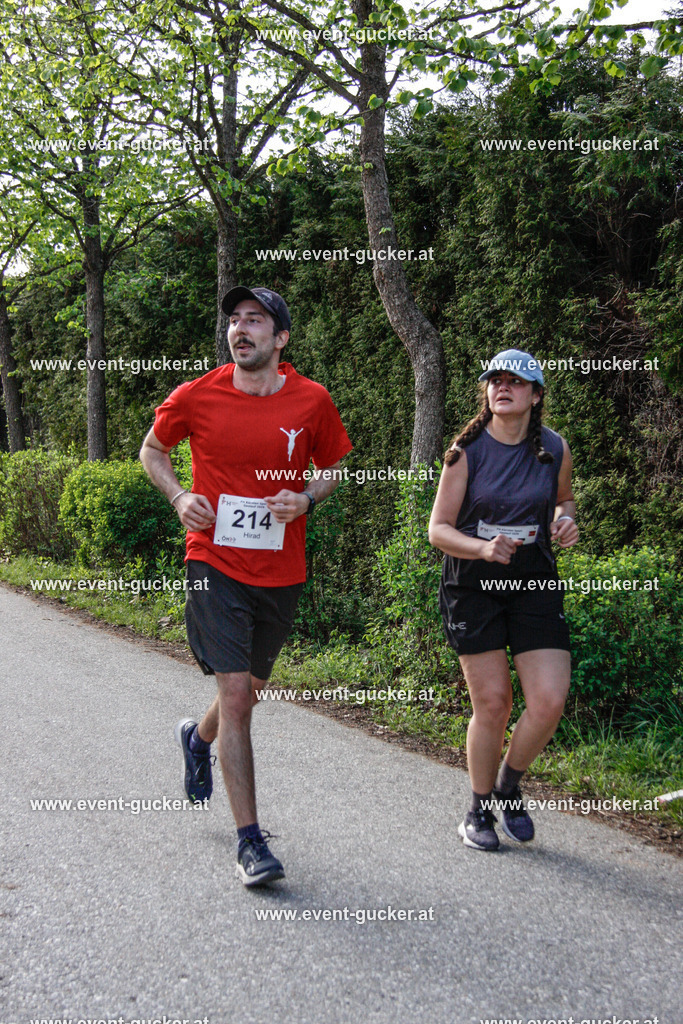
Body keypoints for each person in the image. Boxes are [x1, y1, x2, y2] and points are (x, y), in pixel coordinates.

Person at [140, 286, 352, 885]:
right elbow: (152, 450)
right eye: (234, 320)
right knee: (238, 698)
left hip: (281, 569)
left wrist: (306, 496)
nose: (241, 329)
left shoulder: (312, 400)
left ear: (280, 339)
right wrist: (180, 495)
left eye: (254, 321)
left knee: (250, 691)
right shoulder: (197, 395)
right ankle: (251, 841)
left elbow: (334, 465)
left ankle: (196, 736)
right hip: (213, 563)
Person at [428, 349, 578, 851]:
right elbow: (438, 531)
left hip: (533, 579)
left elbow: (564, 499)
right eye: (495, 380)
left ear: (536, 395)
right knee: (493, 703)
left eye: (516, 381)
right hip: (472, 585)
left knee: (549, 700)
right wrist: (483, 547)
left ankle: (508, 787)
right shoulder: (464, 451)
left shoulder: (554, 448)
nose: (502, 387)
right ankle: (476, 811)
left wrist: (565, 519)